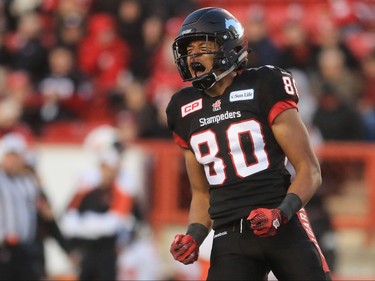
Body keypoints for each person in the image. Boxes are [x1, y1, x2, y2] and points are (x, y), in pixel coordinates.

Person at [166, 7, 331, 280]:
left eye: (203, 45)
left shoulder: (265, 83)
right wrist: (194, 236)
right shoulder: (182, 108)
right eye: (188, 48)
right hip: (229, 235)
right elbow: (201, 193)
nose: (193, 55)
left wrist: (281, 213)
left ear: (229, 47)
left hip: (283, 225)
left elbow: (309, 170)